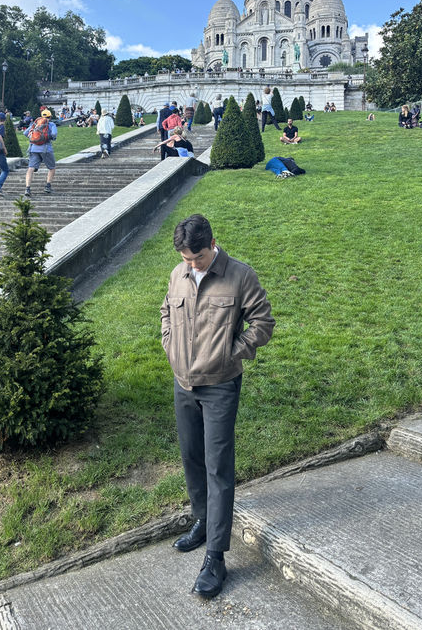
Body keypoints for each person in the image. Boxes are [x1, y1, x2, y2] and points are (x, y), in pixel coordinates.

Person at [161, 215, 274, 599]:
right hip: (183, 384)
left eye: (197, 258)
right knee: (191, 458)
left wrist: (232, 355)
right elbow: (166, 313)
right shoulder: (178, 273)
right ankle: (203, 521)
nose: (190, 265)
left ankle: (216, 557)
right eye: (185, 259)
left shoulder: (240, 276)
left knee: (217, 466)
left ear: (213, 243)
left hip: (220, 386)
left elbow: (263, 323)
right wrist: (169, 345)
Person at [23, 109, 57, 195]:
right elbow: (54, 134)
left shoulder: (35, 124)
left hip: (33, 148)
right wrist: (48, 138)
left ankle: (27, 188)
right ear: (50, 117)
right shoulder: (51, 124)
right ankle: (48, 186)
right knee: (51, 168)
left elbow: (25, 133)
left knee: (31, 168)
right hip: (46, 149)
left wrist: (34, 138)